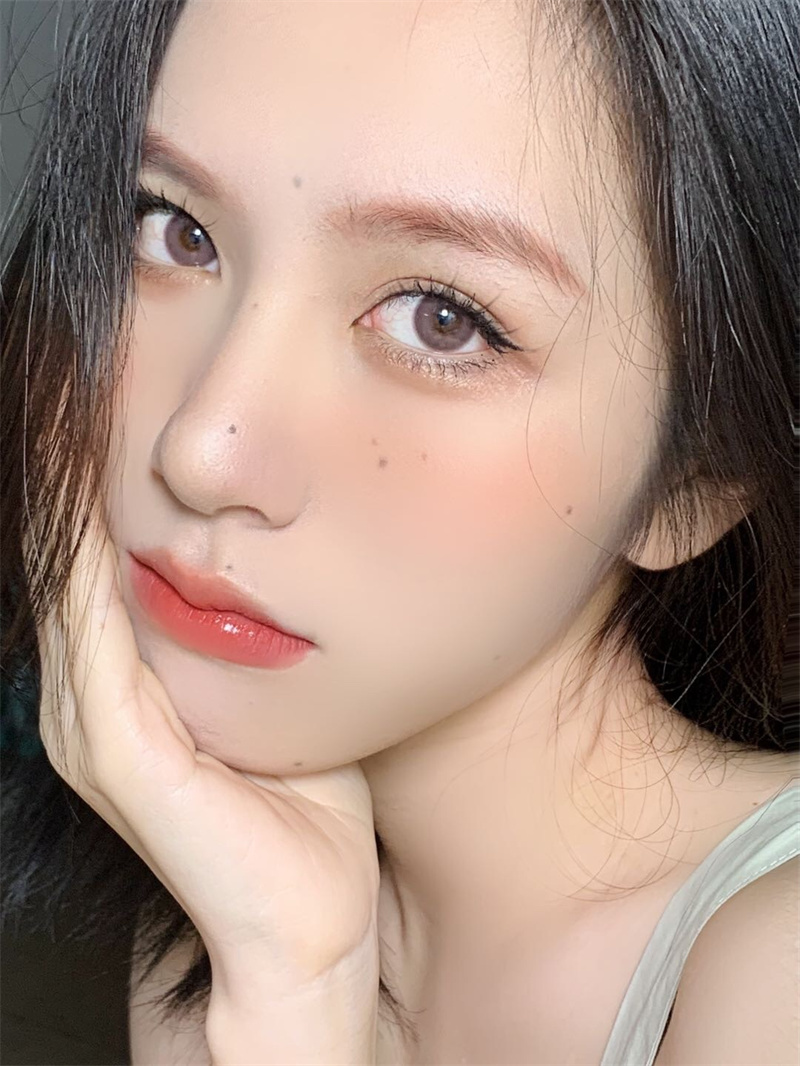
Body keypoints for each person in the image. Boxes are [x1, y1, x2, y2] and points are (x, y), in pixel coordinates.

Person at [1, 0, 798, 1063]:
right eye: (174, 229)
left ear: (696, 477)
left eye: (441, 319)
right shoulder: (235, 900)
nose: (201, 451)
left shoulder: (775, 977)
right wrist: (288, 994)